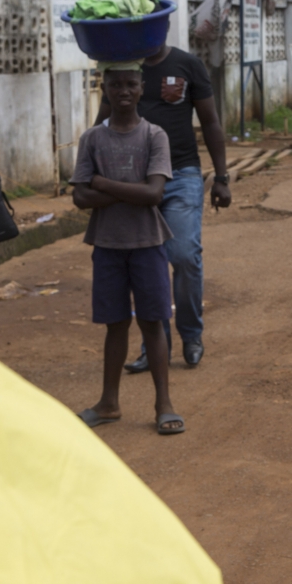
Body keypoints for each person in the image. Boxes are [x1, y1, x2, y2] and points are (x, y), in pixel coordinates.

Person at [98, 42, 232, 374]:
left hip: (182, 174)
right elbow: (101, 123)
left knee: (184, 255)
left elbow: (210, 121)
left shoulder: (188, 64)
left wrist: (222, 176)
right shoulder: (123, 67)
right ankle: (154, 347)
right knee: (147, 262)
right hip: (136, 181)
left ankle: (191, 335)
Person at [73, 66, 185, 435]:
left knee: (154, 323)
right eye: (115, 84)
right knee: (115, 325)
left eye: (131, 84)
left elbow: (154, 193)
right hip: (107, 244)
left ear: (142, 89)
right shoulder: (92, 139)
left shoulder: (155, 136)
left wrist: (103, 182)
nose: (123, 90)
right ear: (104, 88)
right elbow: (79, 197)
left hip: (148, 243)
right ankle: (109, 403)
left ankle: (163, 404)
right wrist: (128, 189)